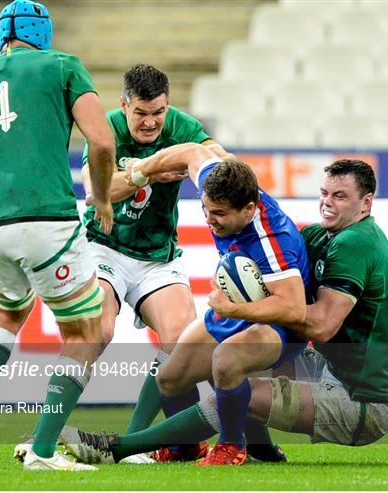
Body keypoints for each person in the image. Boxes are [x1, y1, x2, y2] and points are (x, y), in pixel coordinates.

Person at [57, 159, 388, 465]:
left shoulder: (357, 242)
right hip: (331, 370)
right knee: (187, 368)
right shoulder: (320, 236)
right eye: (324, 193)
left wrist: (235, 307)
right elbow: (198, 153)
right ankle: (231, 448)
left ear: (366, 203)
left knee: (232, 388)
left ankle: (117, 448)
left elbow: (320, 326)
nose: (327, 203)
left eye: (340, 196)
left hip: (364, 400)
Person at [0, 0, 115, 472]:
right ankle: (43, 452)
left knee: (8, 312)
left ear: (2, 36)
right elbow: (101, 141)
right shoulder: (63, 67)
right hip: (46, 220)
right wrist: (101, 198)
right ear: (43, 32)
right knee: (84, 332)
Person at [79, 64, 237, 459]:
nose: (150, 123)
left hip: (157, 255)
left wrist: (205, 162)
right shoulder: (106, 128)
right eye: (141, 113)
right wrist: (147, 172)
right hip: (104, 245)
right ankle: (43, 435)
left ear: (168, 106)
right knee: (98, 329)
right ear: (124, 105)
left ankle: (131, 443)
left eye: (158, 112)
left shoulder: (183, 127)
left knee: (182, 340)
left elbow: (227, 168)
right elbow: (96, 191)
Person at [121, 143, 311, 465]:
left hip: (280, 325)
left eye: (220, 214)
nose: (210, 220)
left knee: (225, 360)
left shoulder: (271, 240)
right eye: (206, 209)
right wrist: (143, 170)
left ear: (248, 209)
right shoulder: (217, 180)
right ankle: (187, 446)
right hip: (240, 304)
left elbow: (294, 309)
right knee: (169, 377)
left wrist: (231, 309)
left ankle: (231, 446)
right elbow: (194, 152)